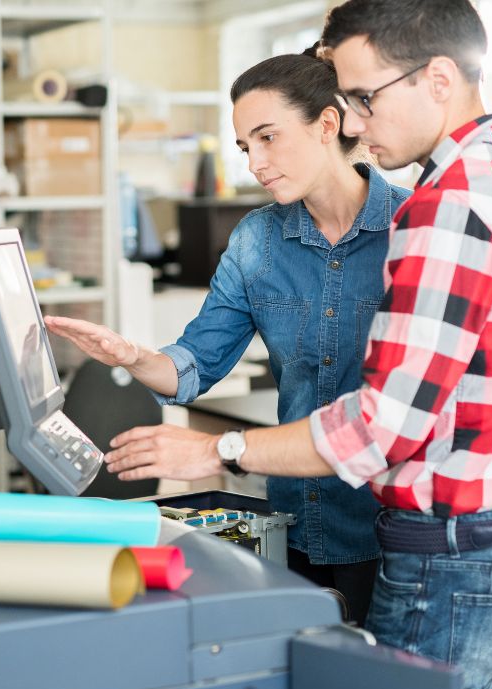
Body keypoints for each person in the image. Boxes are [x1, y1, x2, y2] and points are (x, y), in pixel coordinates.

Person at [101, 1, 492, 689]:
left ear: (438, 79)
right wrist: (143, 360)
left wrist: (215, 449)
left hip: (448, 558)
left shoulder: (441, 209)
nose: (361, 121)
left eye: (364, 97)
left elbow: (380, 427)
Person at [46, 50, 411, 627]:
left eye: (268, 137)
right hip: (293, 521)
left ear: (326, 124)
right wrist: (135, 356)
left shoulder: (414, 231)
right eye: (246, 147)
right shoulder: (257, 240)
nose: (255, 164)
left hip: (392, 532)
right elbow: (196, 365)